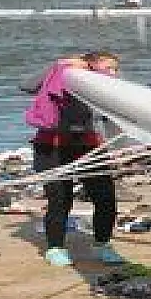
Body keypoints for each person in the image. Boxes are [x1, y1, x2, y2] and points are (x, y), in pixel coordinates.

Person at [23, 51, 126, 267]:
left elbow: (113, 122)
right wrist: (56, 65)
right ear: (91, 67)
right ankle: (55, 248)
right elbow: (27, 86)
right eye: (109, 68)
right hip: (51, 148)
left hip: (88, 147)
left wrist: (118, 149)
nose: (114, 73)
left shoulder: (109, 89)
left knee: (105, 199)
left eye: (116, 69)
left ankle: (102, 245)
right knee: (60, 199)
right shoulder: (66, 76)